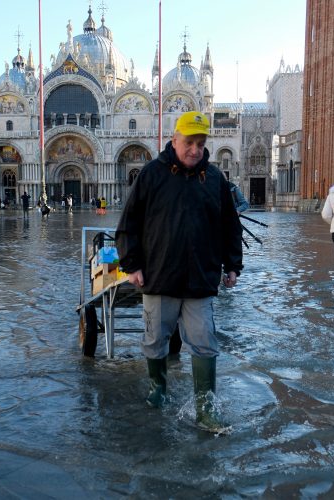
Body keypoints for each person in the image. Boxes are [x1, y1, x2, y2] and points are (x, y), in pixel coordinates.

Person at [116, 111, 243, 433]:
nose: (195, 150)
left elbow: (231, 226)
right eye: (189, 142)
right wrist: (131, 265)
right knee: (156, 339)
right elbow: (128, 224)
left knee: (204, 341)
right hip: (159, 276)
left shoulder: (214, 179)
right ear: (175, 140)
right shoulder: (151, 174)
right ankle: (158, 389)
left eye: (201, 143)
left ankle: (205, 409)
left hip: (200, 277)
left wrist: (233, 265)